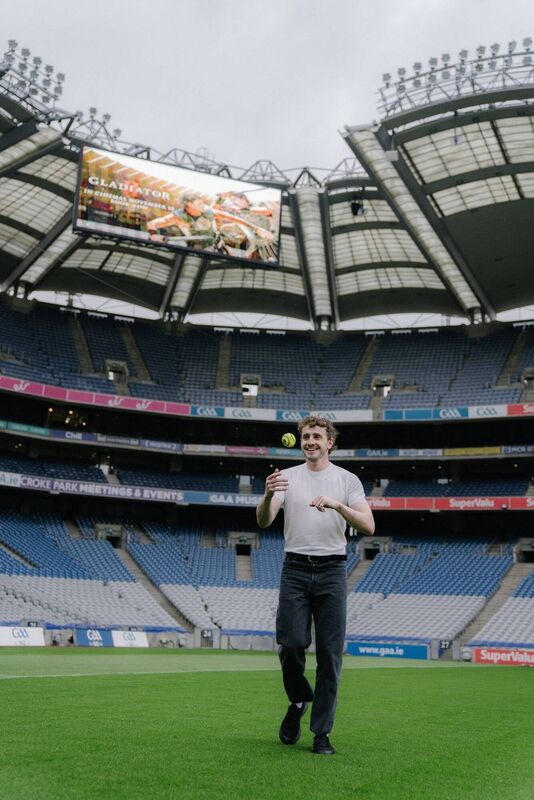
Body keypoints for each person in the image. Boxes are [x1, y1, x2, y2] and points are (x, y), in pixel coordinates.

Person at [256, 416, 375, 755]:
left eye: (317, 436)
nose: (310, 441)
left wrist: (338, 506)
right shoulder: (286, 478)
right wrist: (268, 494)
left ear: (329, 442)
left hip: (332, 570)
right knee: (291, 643)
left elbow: (368, 525)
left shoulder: (346, 480)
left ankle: (321, 733)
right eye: (306, 436)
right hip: (294, 568)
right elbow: (264, 520)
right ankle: (298, 700)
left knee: (329, 655)